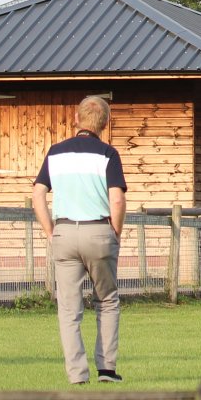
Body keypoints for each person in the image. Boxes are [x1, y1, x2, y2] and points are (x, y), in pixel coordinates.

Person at [31, 95, 126, 384]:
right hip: (98, 231)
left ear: (76, 119)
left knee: (69, 308)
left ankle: (77, 374)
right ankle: (107, 369)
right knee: (107, 301)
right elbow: (118, 200)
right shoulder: (108, 154)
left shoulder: (56, 153)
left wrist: (51, 231)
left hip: (64, 231)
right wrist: (115, 233)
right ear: (105, 124)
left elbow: (38, 195)